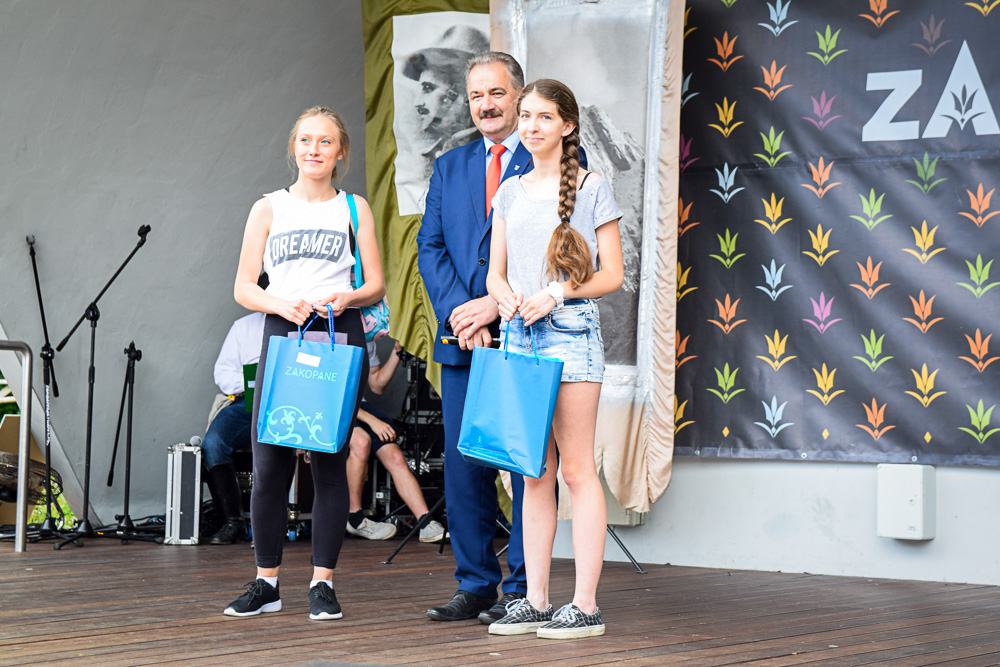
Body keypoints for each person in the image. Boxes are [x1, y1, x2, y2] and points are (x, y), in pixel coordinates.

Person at [417, 51, 585, 626]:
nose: (485, 105)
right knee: (466, 463)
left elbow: (566, 249)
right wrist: (463, 314)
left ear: (518, 95)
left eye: (495, 93)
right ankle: (474, 585)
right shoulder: (450, 166)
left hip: (527, 333)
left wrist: (497, 305)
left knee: (526, 463)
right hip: (463, 339)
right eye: (475, 96)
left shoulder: (555, 158)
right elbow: (430, 247)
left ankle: (521, 588)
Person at [224, 106, 385, 621]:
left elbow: (376, 283)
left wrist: (349, 296)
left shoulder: (354, 207)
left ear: (340, 152)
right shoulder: (268, 207)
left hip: (339, 332)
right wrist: (280, 303)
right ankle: (266, 582)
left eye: (326, 141)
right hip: (284, 330)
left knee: (329, 459)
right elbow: (244, 286)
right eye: (306, 140)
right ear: (294, 147)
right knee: (269, 462)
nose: (315, 149)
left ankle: (323, 583)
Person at [485, 79, 623, 640]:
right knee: (532, 472)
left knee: (576, 470)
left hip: (571, 334)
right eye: (525, 116)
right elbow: (495, 274)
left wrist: (556, 293)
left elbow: (612, 275)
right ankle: (535, 602)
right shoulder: (510, 191)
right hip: (519, 336)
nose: (531, 126)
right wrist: (505, 297)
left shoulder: (592, 187)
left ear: (567, 126)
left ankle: (585, 606)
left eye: (544, 117)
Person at [345, 340, 445, 543]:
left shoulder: (368, 340)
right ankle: (354, 518)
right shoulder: (333, 335)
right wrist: (372, 421)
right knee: (362, 442)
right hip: (334, 405)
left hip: (359, 406)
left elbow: (377, 385)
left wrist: (396, 352)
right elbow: (331, 392)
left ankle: (425, 523)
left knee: (395, 456)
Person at [202, 311, 265, 545]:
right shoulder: (244, 326)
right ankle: (233, 522)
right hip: (247, 400)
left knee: (283, 443)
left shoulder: (305, 325)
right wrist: (256, 379)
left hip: (289, 401)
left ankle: (272, 523)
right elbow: (223, 375)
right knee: (213, 443)